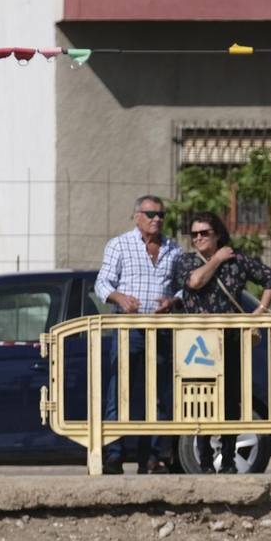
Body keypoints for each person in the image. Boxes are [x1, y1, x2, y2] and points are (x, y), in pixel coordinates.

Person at [172, 211, 271, 474]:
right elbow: (195, 281)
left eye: (204, 233)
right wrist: (217, 259)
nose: (198, 238)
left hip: (232, 340)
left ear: (217, 234)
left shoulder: (237, 260)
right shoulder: (186, 261)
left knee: (231, 400)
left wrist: (260, 311)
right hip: (198, 344)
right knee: (201, 402)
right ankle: (206, 461)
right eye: (194, 234)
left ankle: (230, 459)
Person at [94, 195, 182, 475]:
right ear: (137, 216)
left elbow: (183, 287)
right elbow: (102, 282)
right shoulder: (119, 244)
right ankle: (114, 456)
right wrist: (119, 297)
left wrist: (173, 301)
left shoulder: (174, 249)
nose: (157, 219)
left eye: (161, 215)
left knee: (157, 395)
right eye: (151, 213)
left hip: (161, 330)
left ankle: (152, 458)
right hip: (127, 327)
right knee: (120, 392)